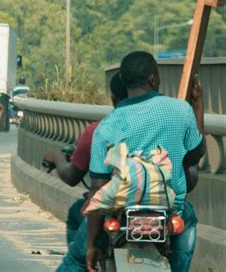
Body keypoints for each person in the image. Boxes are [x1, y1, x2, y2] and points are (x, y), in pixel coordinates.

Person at [85, 51, 205, 272]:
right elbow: (196, 155)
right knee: (187, 219)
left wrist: (91, 244)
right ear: (153, 78)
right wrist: (198, 108)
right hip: (169, 211)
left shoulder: (106, 126)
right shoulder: (180, 110)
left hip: (122, 211)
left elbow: (97, 187)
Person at [43, 73, 128, 249]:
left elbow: (73, 177)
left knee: (76, 215)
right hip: (156, 206)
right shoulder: (163, 125)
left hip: (111, 207)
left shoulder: (99, 131)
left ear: (113, 98)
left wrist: (58, 157)